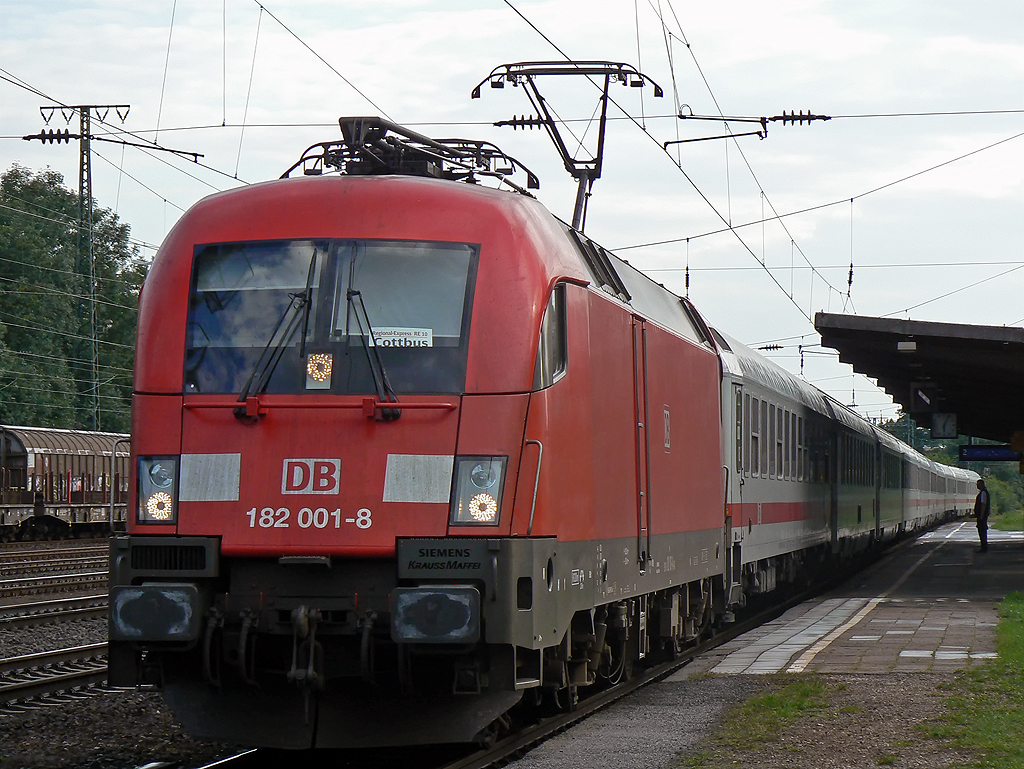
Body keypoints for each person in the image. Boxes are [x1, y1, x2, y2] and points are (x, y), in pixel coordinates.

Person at [974, 478, 991, 553]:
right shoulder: (983, 492)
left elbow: (983, 504)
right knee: (982, 531)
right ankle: (983, 547)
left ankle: (984, 547)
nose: (977, 486)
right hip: (982, 515)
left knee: (982, 531)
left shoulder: (983, 493)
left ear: (981, 484)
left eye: (978, 484)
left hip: (982, 516)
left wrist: (981, 514)